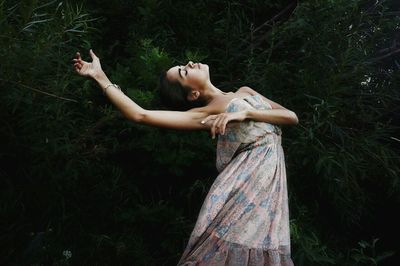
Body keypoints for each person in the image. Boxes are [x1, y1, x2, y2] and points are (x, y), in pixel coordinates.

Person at [73, 49, 298, 265]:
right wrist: (100, 77)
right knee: (228, 249)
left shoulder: (245, 92)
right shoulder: (205, 113)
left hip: (269, 182)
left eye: (183, 65)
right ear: (193, 94)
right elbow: (140, 114)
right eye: (183, 71)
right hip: (243, 183)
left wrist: (245, 113)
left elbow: (290, 116)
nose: (189, 63)